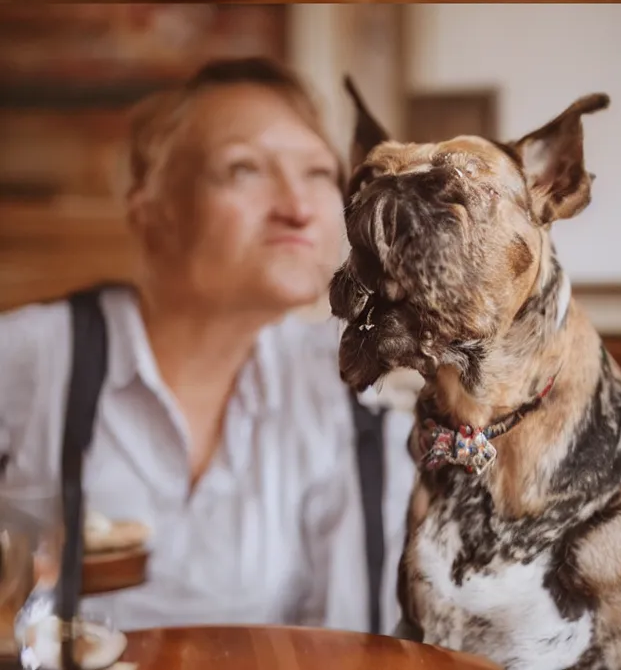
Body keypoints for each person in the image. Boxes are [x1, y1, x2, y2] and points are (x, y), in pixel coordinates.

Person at [0, 59, 410, 632]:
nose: (296, 207)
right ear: (149, 210)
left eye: (320, 172)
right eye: (244, 169)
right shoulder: (26, 361)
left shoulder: (342, 386)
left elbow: (352, 640)